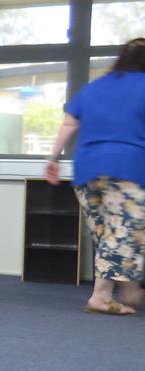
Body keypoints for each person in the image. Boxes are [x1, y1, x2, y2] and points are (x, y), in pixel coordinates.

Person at [45, 37, 145, 315]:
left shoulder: (95, 87)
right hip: (129, 168)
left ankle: (128, 290)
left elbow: (69, 123)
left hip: (87, 169)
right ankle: (102, 296)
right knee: (124, 231)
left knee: (107, 231)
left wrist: (52, 158)